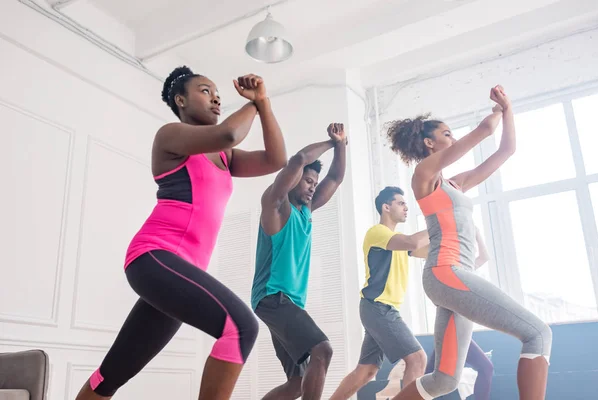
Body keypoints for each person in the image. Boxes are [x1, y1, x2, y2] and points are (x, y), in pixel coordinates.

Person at [75, 66, 288, 400]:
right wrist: (254, 103)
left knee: (112, 374)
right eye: (205, 90)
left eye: (218, 92)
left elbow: (276, 159)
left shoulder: (224, 156)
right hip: (154, 257)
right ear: (180, 100)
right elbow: (229, 133)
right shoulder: (170, 136)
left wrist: (265, 103)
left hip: (180, 272)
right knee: (241, 327)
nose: (216, 97)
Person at [385, 85, 552, 400]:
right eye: (448, 134)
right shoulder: (424, 175)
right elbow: (486, 130)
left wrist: (509, 111)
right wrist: (497, 110)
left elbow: (506, 151)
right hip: (445, 272)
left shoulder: (455, 183)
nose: (454, 138)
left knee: (444, 380)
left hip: (454, 276)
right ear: (428, 142)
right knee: (538, 333)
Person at [251, 124, 348, 400]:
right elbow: (298, 160)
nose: (312, 187)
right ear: (293, 180)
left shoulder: (306, 212)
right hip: (272, 298)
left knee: (297, 382)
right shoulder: (276, 206)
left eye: (314, 184)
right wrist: (331, 142)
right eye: (307, 181)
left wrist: (342, 145)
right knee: (323, 350)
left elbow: (336, 177)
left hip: (287, 302)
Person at [330, 186, 429, 400]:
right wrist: (440, 221)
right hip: (378, 307)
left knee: (366, 371)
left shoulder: (398, 239)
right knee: (417, 359)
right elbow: (413, 242)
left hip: (379, 308)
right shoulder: (378, 233)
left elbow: (425, 250)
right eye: (401, 203)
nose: (406, 207)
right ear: (386, 207)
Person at [419, 228, 494, 399]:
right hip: (452, 329)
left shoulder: (462, 271)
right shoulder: (442, 272)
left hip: (456, 329)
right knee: (485, 368)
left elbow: (484, 257)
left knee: (428, 377)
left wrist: (475, 231)